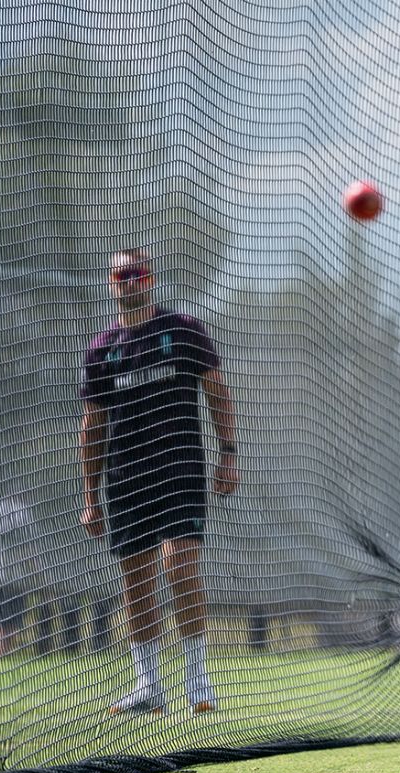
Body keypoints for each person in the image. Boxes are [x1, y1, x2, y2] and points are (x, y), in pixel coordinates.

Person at [80, 247, 239, 716]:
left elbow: (217, 392)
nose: (128, 282)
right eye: (119, 275)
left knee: (179, 564)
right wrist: (90, 498)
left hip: (180, 468)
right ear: (111, 284)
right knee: (136, 581)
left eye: (136, 274)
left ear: (150, 280)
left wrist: (227, 454)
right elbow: (92, 426)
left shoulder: (183, 331)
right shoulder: (101, 349)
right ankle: (149, 686)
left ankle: (198, 682)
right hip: (125, 478)